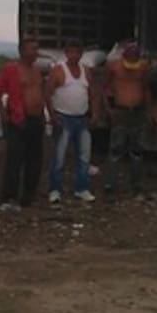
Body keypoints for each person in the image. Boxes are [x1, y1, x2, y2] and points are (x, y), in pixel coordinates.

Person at [0, 37, 48, 210]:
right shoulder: (11, 69)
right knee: (14, 160)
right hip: (18, 120)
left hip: (36, 119)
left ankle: (29, 195)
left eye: (37, 49)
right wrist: (3, 114)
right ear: (22, 51)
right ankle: (9, 196)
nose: (35, 52)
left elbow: (41, 94)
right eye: (32, 49)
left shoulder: (37, 71)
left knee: (35, 160)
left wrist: (44, 116)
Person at [45, 39, 98, 204]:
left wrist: (94, 113)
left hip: (81, 118)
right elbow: (47, 93)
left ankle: (81, 188)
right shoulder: (59, 70)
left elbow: (93, 93)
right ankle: (55, 189)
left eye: (77, 52)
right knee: (59, 156)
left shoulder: (86, 71)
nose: (74, 55)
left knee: (84, 156)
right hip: (63, 117)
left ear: (81, 54)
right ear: (66, 53)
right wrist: (52, 115)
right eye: (71, 52)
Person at [103, 40, 153, 196]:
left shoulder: (142, 68)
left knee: (137, 150)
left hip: (137, 112)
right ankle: (110, 185)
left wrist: (149, 111)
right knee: (116, 150)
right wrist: (108, 109)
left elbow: (146, 89)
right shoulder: (114, 66)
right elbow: (105, 88)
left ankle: (136, 185)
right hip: (121, 111)